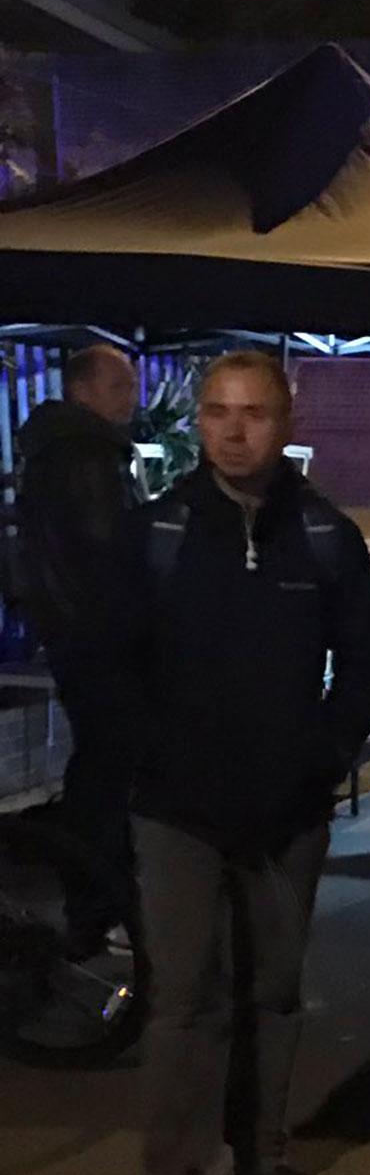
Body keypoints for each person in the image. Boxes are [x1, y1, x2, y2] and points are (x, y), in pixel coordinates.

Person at [106, 352, 370, 1175]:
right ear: (198, 420)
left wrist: (318, 761)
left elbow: (368, 664)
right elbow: (106, 661)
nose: (235, 431)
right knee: (183, 997)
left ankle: (262, 1160)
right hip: (177, 810)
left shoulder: (322, 536)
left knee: (271, 994)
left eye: (255, 413)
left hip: (286, 811)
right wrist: (149, 760)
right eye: (220, 412)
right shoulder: (154, 532)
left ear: (285, 419)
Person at [15, 343, 141, 949]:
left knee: (100, 765)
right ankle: (97, 904)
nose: (132, 397)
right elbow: (108, 550)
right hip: (100, 637)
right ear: (82, 390)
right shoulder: (87, 454)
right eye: (120, 386)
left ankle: (94, 903)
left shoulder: (57, 450)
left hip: (75, 634)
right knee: (109, 769)